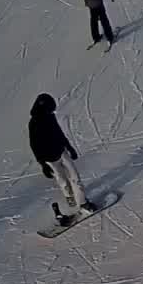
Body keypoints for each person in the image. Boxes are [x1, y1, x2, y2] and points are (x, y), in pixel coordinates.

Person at [29, 93, 95, 223]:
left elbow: (59, 133)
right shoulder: (34, 123)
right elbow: (34, 145)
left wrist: (69, 147)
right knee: (63, 181)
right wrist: (43, 164)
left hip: (61, 152)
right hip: (50, 160)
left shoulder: (50, 117)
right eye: (51, 108)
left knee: (75, 178)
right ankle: (70, 199)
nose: (52, 111)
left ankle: (83, 203)